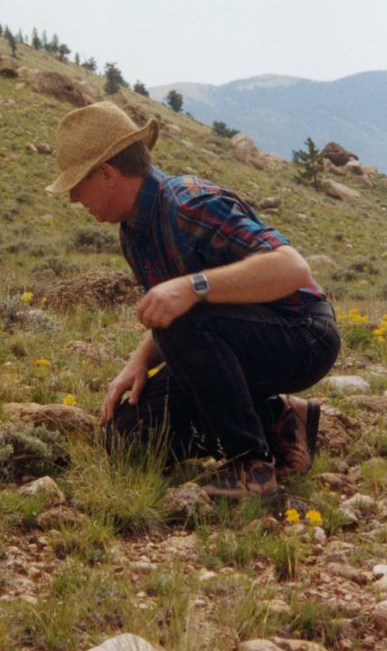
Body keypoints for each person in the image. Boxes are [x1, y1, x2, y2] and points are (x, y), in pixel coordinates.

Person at [45, 101, 340, 503]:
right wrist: (140, 361)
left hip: (303, 335)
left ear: (107, 174)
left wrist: (191, 287)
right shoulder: (134, 230)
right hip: (235, 338)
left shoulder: (189, 204)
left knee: (183, 318)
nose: (75, 198)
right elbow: (178, 309)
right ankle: (281, 419)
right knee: (128, 436)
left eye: (78, 184)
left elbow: (292, 269)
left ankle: (251, 467)